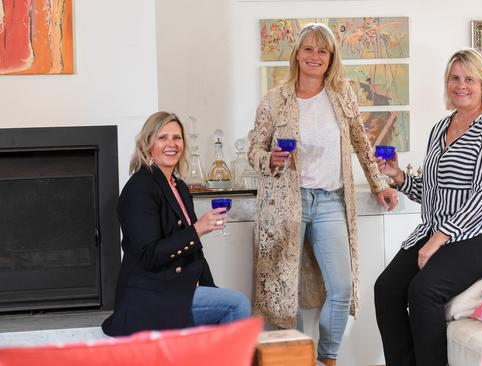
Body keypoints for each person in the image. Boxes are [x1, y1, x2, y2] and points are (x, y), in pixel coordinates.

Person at [248, 23, 398, 365]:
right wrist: (269, 158)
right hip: (287, 202)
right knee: (284, 292)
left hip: (330, 200)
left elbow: (362, 144)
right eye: (308, 49)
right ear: (297, 54)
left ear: (331, 59)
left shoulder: (342, 97)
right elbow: (253, 150)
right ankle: (295, 360)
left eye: (322, 51)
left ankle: (326, 358)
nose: (315, 56)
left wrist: (379, 184)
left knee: (342, 288)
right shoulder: (275, 100)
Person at [374, 48, 482, 366]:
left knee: (424, 291)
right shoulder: (442, 128)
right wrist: (398, 177)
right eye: (455, 78)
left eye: (469, 78)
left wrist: (437, 239)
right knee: (386, 289)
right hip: (442, 230)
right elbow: (433, 192)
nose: (461, 85)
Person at [102, 111, 250, 337]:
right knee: (237, 304)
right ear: (147, 143)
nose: (171, 144)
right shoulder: (140, 188)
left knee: (227, 302)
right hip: (149, 297)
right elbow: (149, 255)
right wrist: (198, 228)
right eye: (163, 138)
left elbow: (194, 251)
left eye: (177, 138)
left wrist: (212, 291)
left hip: (174, 289)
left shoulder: (179, 186)